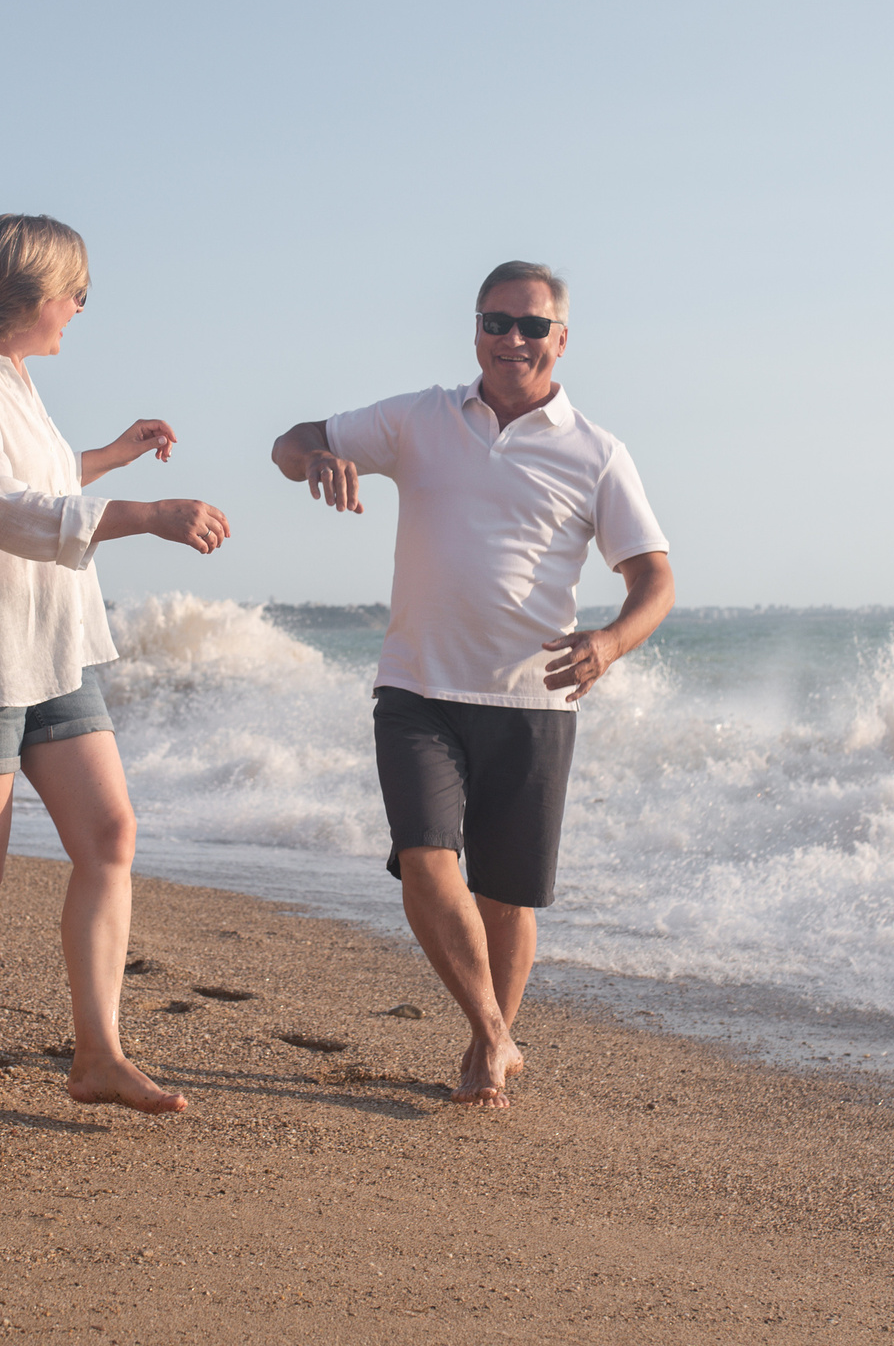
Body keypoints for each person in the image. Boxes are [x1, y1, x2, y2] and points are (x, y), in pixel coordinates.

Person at [271, 261, 674, 1107]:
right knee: (424, 863)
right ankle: (495, 1037)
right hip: (417, 686)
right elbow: (291, 438)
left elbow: (655, 582)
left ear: (562, 339)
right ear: (475, 330)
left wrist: (609, 644)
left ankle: (486, 1036)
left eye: (532, 326)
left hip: (533, 700)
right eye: (496, 322)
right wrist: (316, 459)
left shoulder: (597, 452)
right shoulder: (421, 417)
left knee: (507, 897)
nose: (512, 339)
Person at [0, 214, 227, 1113]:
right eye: (75, 290)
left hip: (54, 642)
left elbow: (46, 476)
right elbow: (0, 508)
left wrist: (112, 453)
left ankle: (98, 1054)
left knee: (111, 836)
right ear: (30, 296)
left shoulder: (13, 378)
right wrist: (145, 512)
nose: (81, 305)